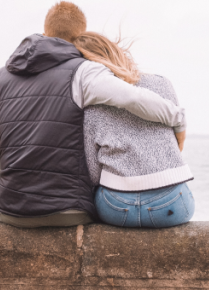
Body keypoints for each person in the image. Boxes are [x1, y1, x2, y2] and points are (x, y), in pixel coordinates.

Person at [0, 2, 187, 228]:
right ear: (80, 34)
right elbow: (133, 98)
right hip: (68, 210)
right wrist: (178, 119)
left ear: (45, 31)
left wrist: (24, 170)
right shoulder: (83, 72)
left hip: (10, 209)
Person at [74, 31, 195, 228]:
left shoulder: (90, 100)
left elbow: (93, 172)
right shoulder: (162, 83)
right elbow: (175, 146)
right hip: (171, 205)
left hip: (116, 207)